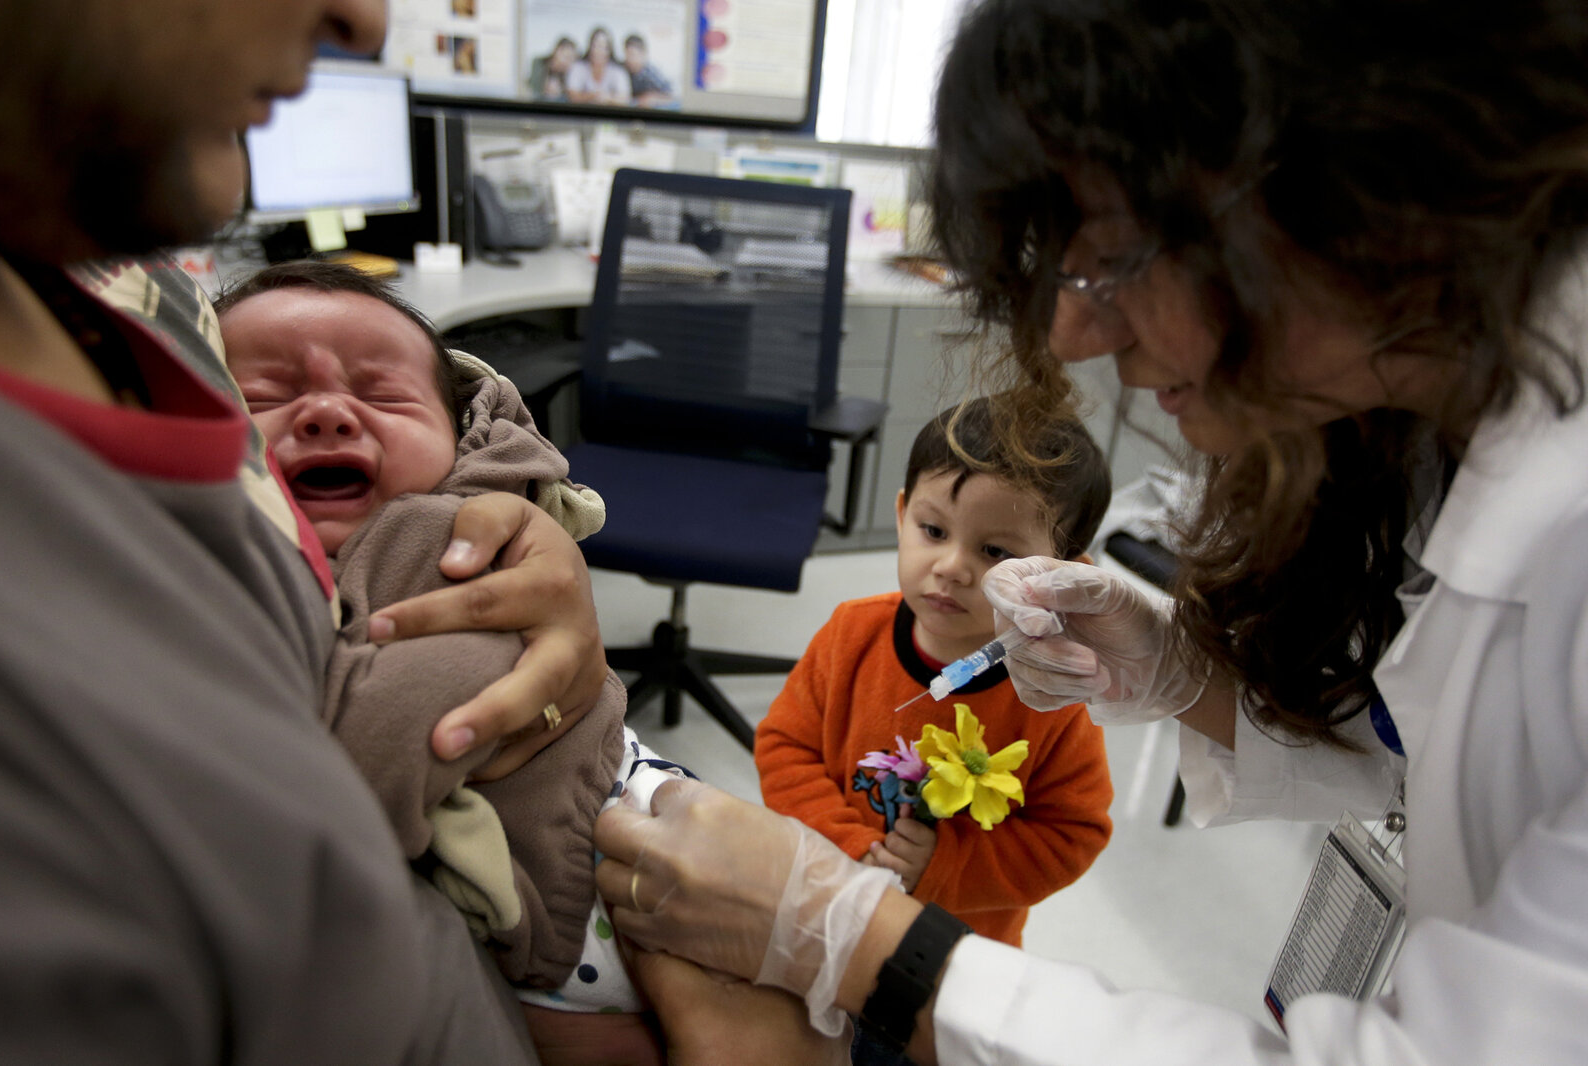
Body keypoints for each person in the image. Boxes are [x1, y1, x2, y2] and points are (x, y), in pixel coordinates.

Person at [591, 1, 1588, 1064]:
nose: (1073, 331)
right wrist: (1185, 677)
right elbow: (1433, 760)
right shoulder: (1440, 443)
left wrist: (858, 938)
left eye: (1115, 258)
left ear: (1363, 191)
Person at [0, 0, 613, 1060]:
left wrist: (530, 534)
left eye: (378, 395)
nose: (363, 21)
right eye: (269, 394)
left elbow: (445, 396)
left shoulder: (148, 284)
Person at [216, 260, 677, 1065]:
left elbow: (408, 723)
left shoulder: (441, 533)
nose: (327, 413)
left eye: (384, 395)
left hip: (600, 877)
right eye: (261, 397)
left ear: (461, 431)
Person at [754, 394, 1113, 945]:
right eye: (934, 531)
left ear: (1062, 575)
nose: (950, 568)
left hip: (955, 949)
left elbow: (1071, 835)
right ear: (902, 515)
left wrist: (944, 864)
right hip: (830, 906)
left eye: (994, 551)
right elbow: (784, 747)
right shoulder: (851, 634)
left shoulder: (1051, 694)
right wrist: (852, 846)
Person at [567, 27, 631, 105]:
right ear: (590, 47)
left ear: (609, 50)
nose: (598, 51)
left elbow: (625, 99)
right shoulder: (578, 67)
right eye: (595, 46)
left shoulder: (618, 71)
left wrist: (607, 98)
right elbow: (572, 96)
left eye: (603, 47)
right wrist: (593, 96)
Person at [623, 34, 673, 107]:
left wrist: (653, 98)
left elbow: (670, 96)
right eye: (627, 55)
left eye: (633, 54)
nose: (630, 59)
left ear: (643, 54)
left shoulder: (652, 74)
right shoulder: (622, 70)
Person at [530, 36, 578, 101]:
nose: (569, 62)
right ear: (557, 51)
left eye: (572, 58)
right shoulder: (539, 63)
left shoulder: (570, 72)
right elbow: (534, 87)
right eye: (567, 57)